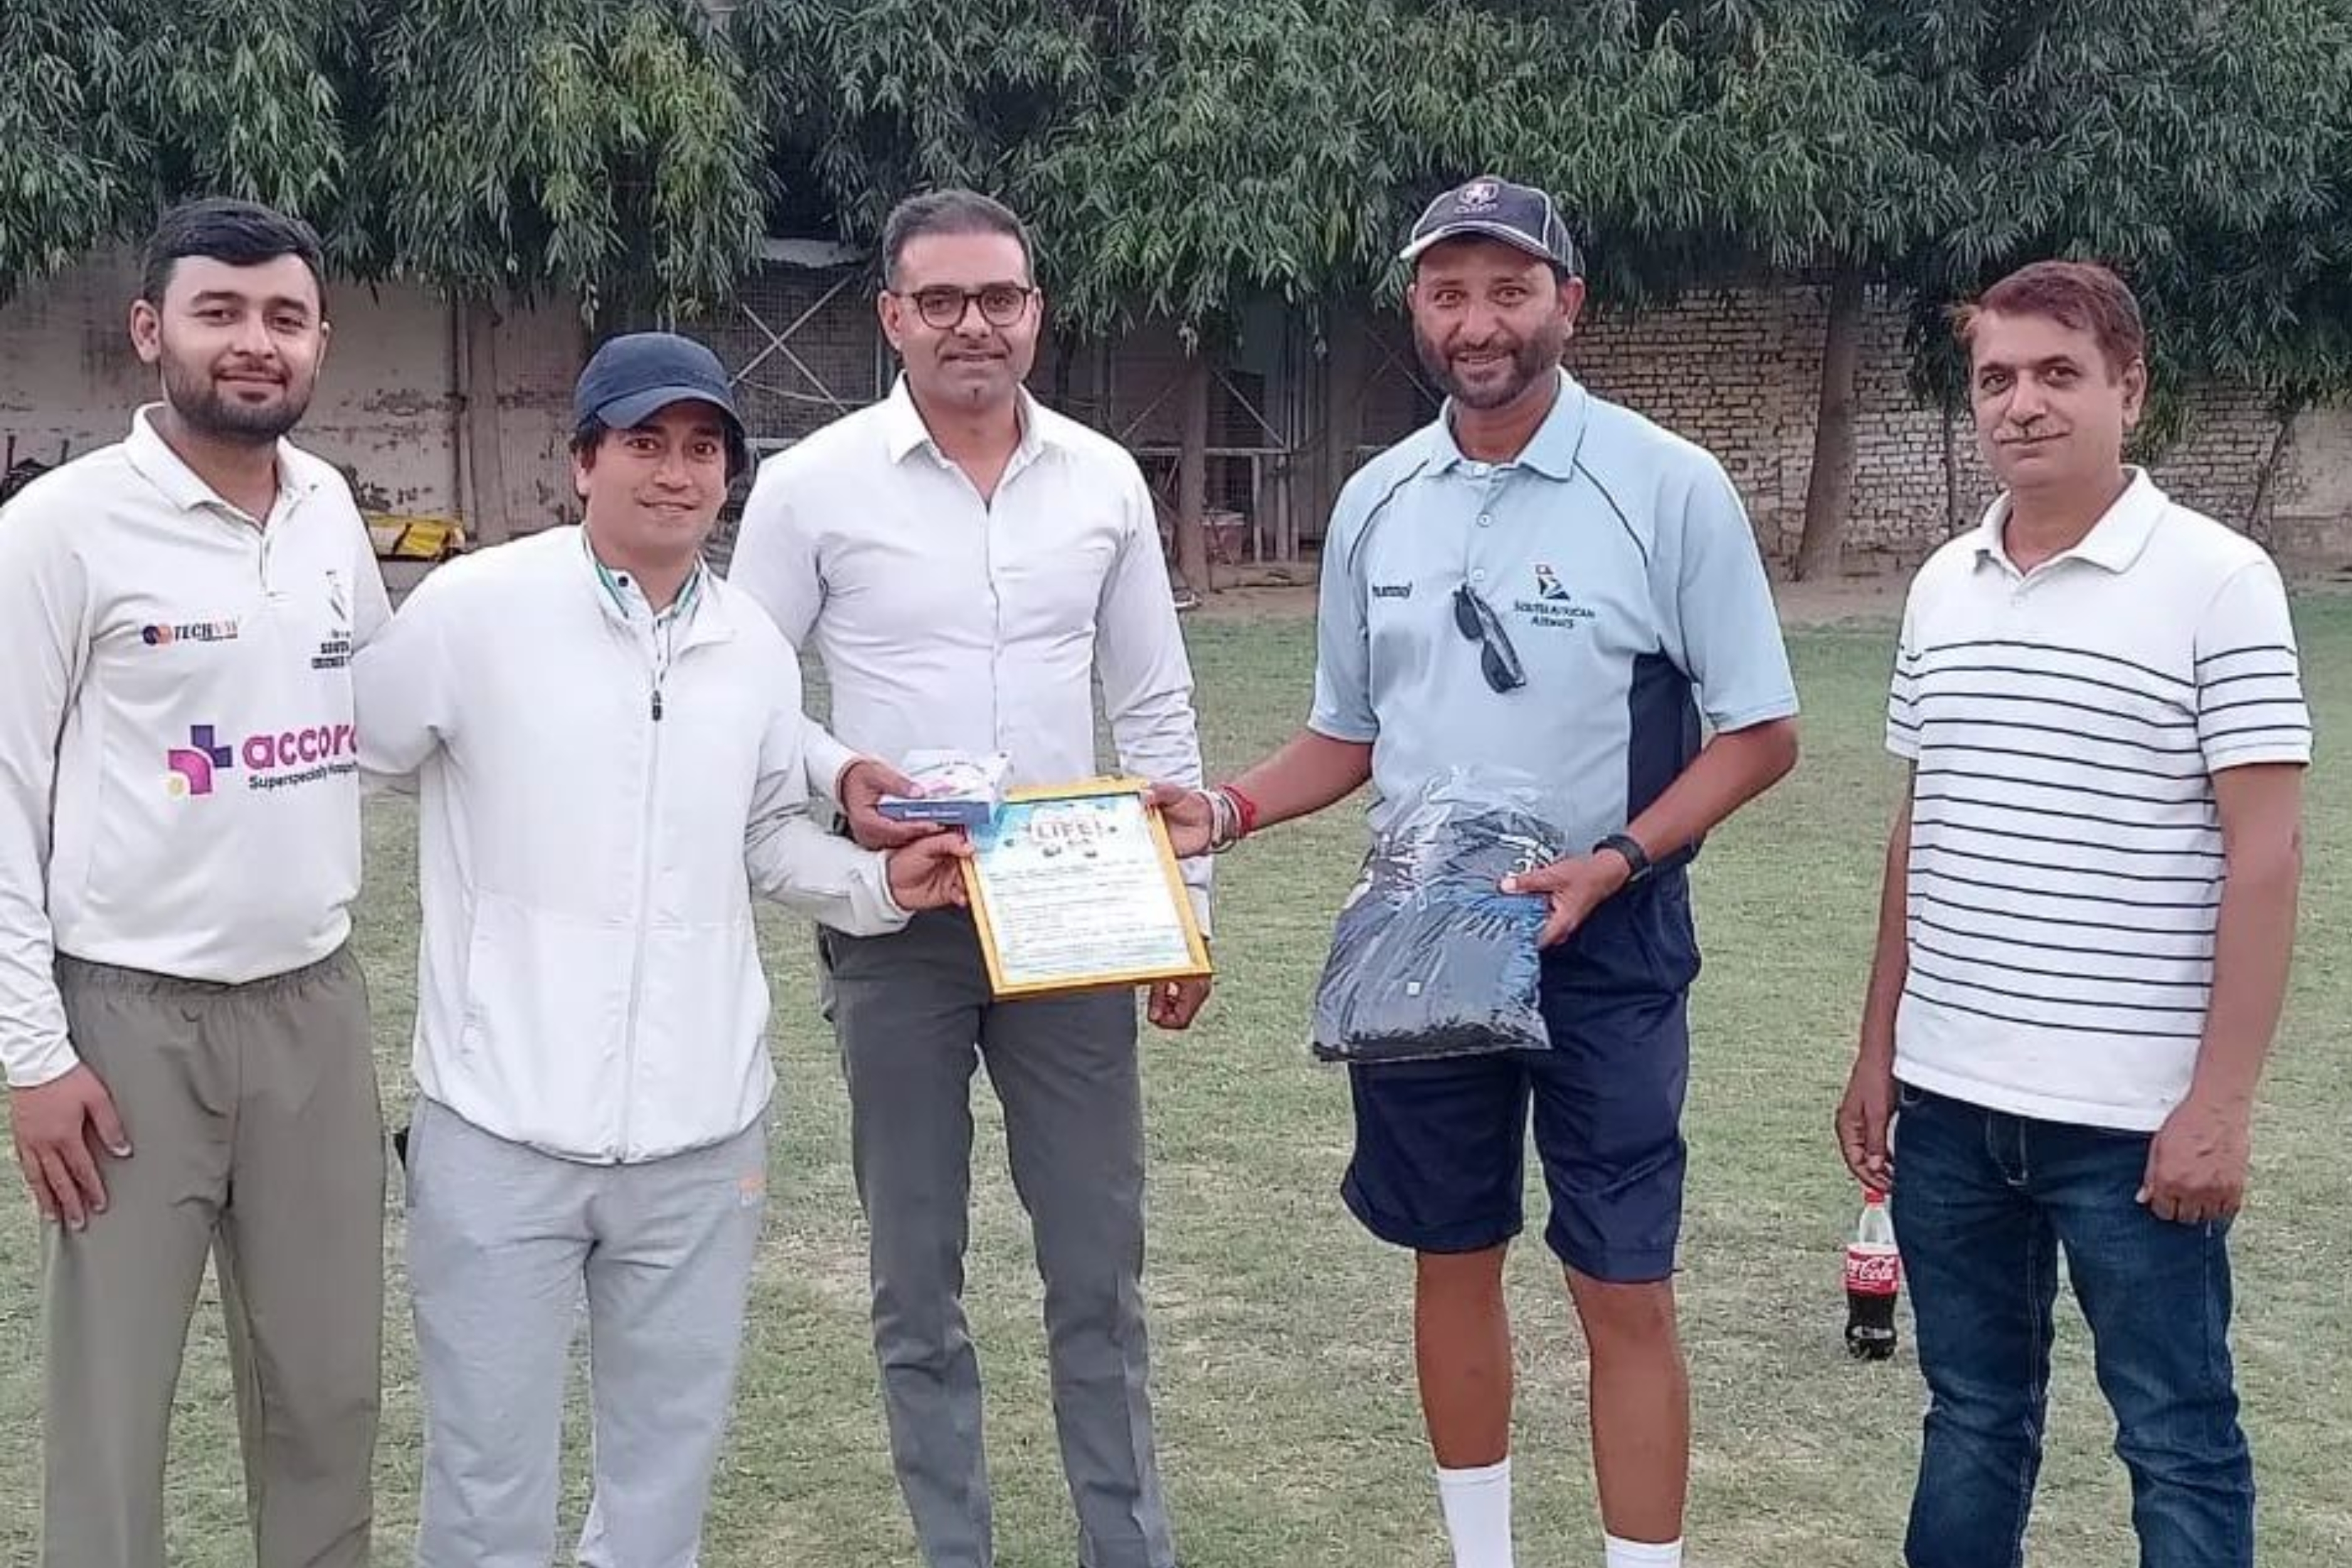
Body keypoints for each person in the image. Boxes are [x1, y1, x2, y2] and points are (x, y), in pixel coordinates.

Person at [1153, 175, 1800, 1568]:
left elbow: (1761, 732)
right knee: (1449, 1258)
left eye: (1510, 290)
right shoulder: (1379, 499)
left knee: (1621, 1281)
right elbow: (1347, 733)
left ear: (1571, 304)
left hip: (1607, 934)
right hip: (1420, 938)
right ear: (1417, 310)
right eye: (1448, 293)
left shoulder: (1667, 485)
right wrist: (1227, 807)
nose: (1478, 321)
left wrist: (1615, 862)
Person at [352, 332, 974, 1568]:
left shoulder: (750, 643)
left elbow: (763, 837)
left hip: (701, 1139)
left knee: (661, 1485)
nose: (676, 473)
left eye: (703, 449)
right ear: (582, 461)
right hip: (498, 1125)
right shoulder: (475, 610)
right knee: (486, 1485)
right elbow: (343, 762)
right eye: (644, 443)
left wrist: (877, 885)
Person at [728, 188, 1211, 1568]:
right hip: (903, 921)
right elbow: (741, 697)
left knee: (1097, 1271)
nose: (971, 326)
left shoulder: (1103, 480)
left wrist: (1188, 917)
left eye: (998, 298)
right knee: (915, 1277)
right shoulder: (815, 486)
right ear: (892, 316)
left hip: (1073, 917)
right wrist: (844, 778)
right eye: (939, 300)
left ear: (1035, 312)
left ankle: (1129, 1545)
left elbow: (1155, 703)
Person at [1835, 260, 2307, 1568]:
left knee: (2176, 1437)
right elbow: (1921, 832)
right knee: (1972, 1417)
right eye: (1996, 378)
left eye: (2058, 373)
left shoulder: (2219, 579)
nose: (2022, 403)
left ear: (2128, 390)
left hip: (2132, 1122)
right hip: (1950, 1107)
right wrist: (1878, 1052)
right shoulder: (1943, 583)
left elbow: (2266, 854)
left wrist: (2218, 1103)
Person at [0, 197, 391, 1568]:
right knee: (114, 1409)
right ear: (147, 329)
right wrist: (33, 1054)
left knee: (328, 1393)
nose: (253, 343)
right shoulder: (59, 529)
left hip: (313, 1011)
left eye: (285, 317)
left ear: (321, 340)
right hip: (126, 1030)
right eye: (218, 312)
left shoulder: (331, 507)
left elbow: (382, 716)